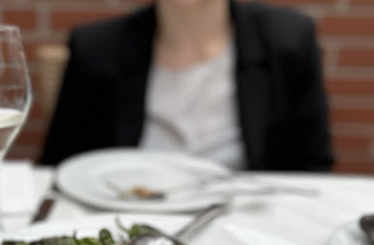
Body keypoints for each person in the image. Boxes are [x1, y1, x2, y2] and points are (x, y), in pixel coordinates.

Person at [41, 0, 334, 172]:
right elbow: (60, 167)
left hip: (246, 223)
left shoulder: (287, 41)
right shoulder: (95, 48)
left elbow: (312, 166)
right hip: (127, 219)